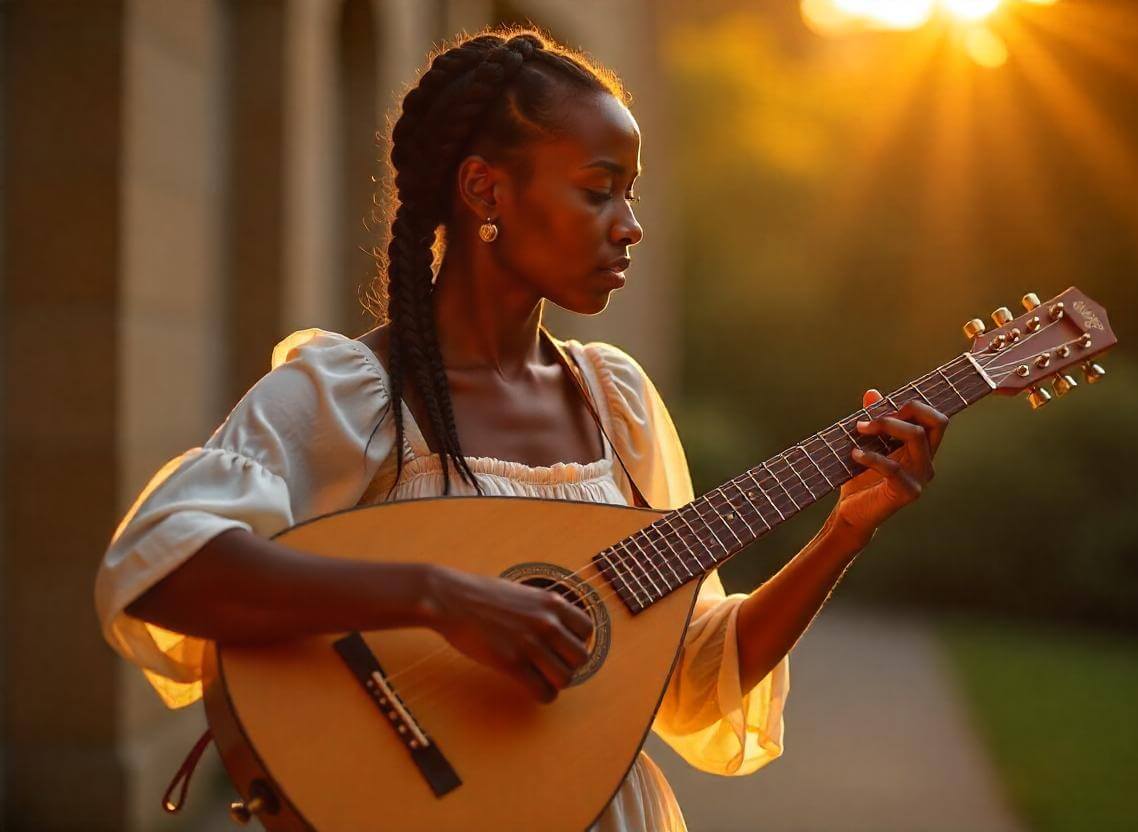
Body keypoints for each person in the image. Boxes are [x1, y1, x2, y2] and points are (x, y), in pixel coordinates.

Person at [95, 26, 949, 831]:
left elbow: (690, 677)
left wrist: (844, 530)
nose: (630, 224)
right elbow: (163, 565)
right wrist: (438, 598)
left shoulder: (614, 402)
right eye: (597, 188)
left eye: (631, 192)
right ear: (484, 190)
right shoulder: (350, 393)